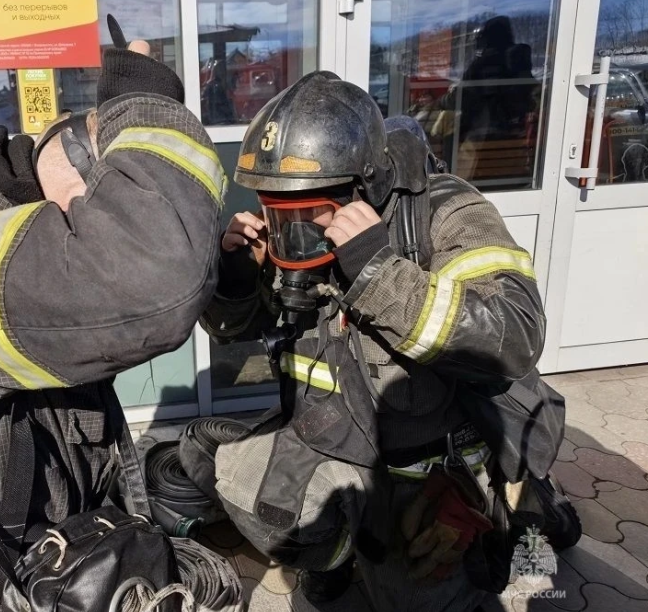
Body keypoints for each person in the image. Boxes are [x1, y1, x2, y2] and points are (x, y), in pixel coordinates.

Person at [0, 37, 226, 612]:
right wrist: (145, 106)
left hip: (45, 543)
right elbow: (155, 278)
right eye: (108, 190)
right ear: (76, 163)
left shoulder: (1, 218)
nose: (100, 213)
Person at [202, 71, 545, 611]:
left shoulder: (446, 211)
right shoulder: (302, 232)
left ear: (365, 187)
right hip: (330, 440)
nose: (295, 233)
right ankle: (339, 553)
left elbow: (515, 335)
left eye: (308, 214)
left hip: (423, 471)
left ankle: (524, 508)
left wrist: (380, 273)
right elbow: (243, 329)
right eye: (277, 211)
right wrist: (238, 277)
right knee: (227, 471)